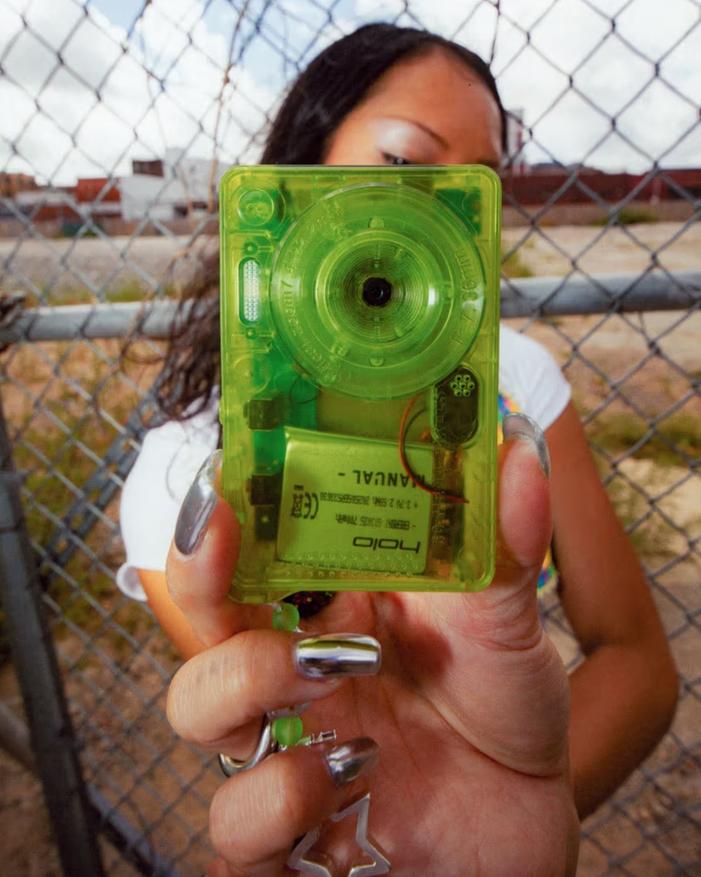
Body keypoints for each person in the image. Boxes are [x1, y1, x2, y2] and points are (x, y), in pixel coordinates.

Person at [118, 22, 677, 872]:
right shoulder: (183, 473)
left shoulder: (516, 378)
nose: (434, 208)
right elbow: (300, 726)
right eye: (403, 163)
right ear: (303, 167)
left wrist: (512, 810)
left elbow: (638, 659)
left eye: (474, 185)